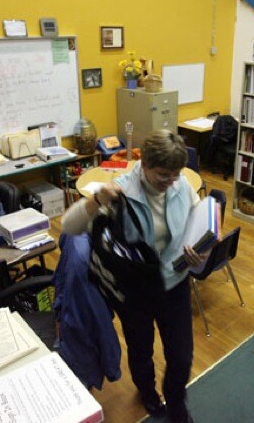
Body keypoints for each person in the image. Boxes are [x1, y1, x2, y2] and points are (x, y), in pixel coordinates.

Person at [62, 129, 205, 423]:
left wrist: (198, 250)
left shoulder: (181, 186)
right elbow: (69, 226)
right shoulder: (120, 191)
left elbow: (197, 218)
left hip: (175, 285)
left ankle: (176, 403)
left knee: (181, 357)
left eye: (176, 174)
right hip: (135, 292)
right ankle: (148, 393)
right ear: (145, 166)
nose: (171, 182)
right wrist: (95, 201)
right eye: (164, 175)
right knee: (141, 351)